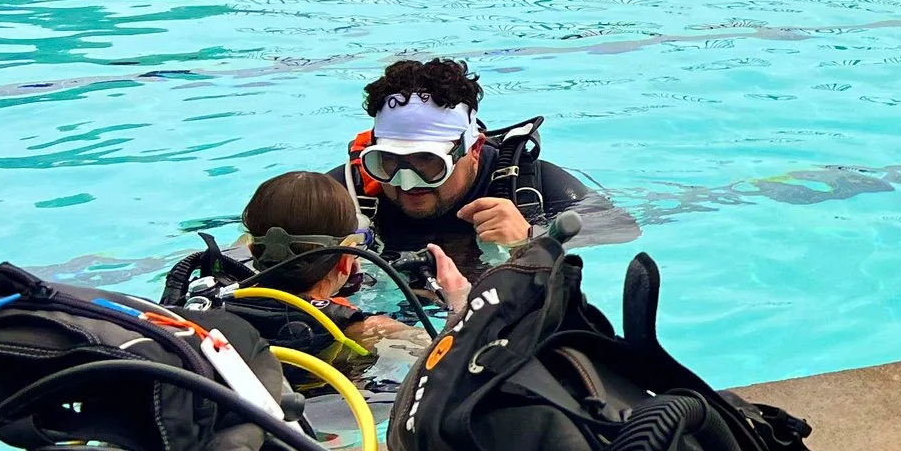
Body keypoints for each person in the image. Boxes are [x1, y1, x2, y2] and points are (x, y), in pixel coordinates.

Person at [331, 57, 633, 277]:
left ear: (474, 150)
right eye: (388, 161)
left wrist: (532, 238)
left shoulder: (532, 184)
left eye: (429, 162)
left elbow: (621, 230)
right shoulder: (348, 193)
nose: (407, 182)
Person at [234, 169, 464, 340]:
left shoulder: (223, 301)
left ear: (252, 249)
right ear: (346, 260)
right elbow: (456, 362)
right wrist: (459, 301)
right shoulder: (368, 330)